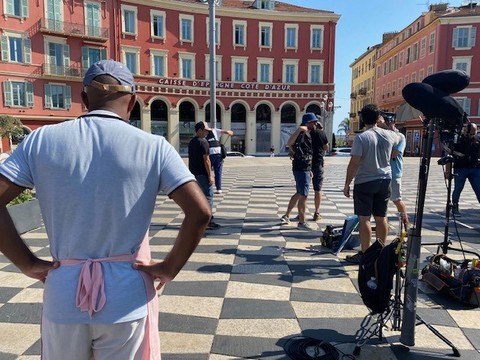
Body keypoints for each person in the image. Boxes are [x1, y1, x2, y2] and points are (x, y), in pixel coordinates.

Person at [0, 59, 211, 360]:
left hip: (63, 292)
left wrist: (26, 262)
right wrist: (168, 268)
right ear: (133, 103)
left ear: (84, 99)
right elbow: (200, 212)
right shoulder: (154, 146)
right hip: (127, 296)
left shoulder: (41, 140)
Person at [343, 104, 400, 264]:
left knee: (364, 219)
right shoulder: (389, 135)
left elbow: (354, 163)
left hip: (365, 181)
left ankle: (365, 253)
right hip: (385, 180)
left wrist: (347, 183)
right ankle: (380, 251)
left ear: (362, 119)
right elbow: (399, 136)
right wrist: (382, 124)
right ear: (377, 118)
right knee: (381, 218)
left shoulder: (361, 138)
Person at [280, 112, 318, 231]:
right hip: (301, 168)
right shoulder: (302, 132)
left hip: (304, 167)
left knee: (299, 193)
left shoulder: (307, 133)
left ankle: (286, 215)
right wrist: (299, 129)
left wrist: (310, 169)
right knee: (303, 195)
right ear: (308, 123)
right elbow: (290, 143)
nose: (315, 124)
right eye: (313, 122)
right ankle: (302, 222)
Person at [189, 121, 221, 229]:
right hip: (203, 174)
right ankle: (208, 221)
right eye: (205, 131)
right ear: (199, 130)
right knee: (208, 197)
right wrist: (210, 175)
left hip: (193, 175)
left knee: (197, 198)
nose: (207, 133)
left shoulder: (191, 142)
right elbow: (206, 160)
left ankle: (196, 219)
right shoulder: (204, 142)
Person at [447, 122, 480, 216]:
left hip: (475, 168)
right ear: (464, 131)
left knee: (478, 189)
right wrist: (447, 171)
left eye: (473, 133)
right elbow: (450, 154)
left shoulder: (478, 140)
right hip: (460, 168)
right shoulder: (458, 140)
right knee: (458, 189)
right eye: (468, 132)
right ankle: (455, 207)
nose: (470, 135)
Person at [382, 116, 409, 226]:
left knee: (396, 199)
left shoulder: (400, 137)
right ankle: (384, 224)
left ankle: (405, 222)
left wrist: (390, 135)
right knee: (382, 201)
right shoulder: (383, 136)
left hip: (394, 173)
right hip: (383, 173)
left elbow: (394, 153)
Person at [310, 120, 329, 221]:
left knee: (302, 191)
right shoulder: (321, 133)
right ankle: (317, 213)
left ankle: (301, 212)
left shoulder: (305, 133)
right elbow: (326, 147)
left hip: (306, 164)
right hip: (318, 164)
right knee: (317, 190)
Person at [206, 126, 233, 194]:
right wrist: (229, 132)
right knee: (217, 172)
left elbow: (227, 132)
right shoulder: (215, 131)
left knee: (209, 171)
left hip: (212, 154)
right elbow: (227, 132)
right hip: (213, 154)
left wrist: (229, 132)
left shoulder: (213, 131)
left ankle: (213, 188)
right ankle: (218, 188)